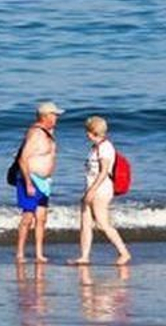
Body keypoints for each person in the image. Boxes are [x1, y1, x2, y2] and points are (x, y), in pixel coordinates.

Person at [69, 115, 130, 265]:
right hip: (91, 188)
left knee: (102, 223)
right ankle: (84, 256)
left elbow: (103, 172)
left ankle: (124, 252)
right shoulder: (94, 148)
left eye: (88, 131)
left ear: (94, 132)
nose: (86, 134)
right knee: (85, 223)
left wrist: (91, 191)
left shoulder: (105, 147)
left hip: (100, 189)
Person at [14, 101, 62, 263]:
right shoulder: (35, 134)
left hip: (44, 182)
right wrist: (28, 183)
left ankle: (39, 253)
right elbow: (23, 159)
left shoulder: (49, 132)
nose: (56, 118)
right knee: (28, 216)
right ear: (45, 116)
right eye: (54, 115)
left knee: (41, 218)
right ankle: (20, 253)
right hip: (31, 179)